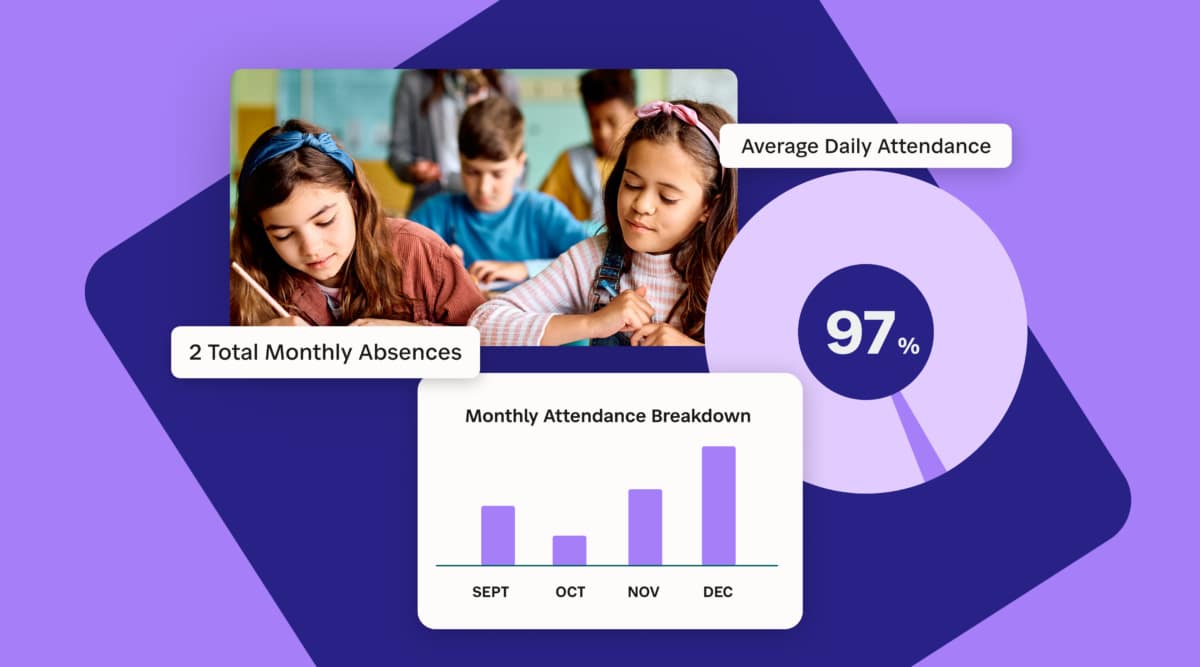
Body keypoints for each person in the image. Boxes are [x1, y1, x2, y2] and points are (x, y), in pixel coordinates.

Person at [469, 100, 737, 346]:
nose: (641, 206)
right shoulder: (591, 259)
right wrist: (592, 324)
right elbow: (484, 323)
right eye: (632, 184)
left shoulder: (736, 269)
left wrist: (694, 353)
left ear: (709, 206)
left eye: (667, 197)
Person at [231, 119, 485, 326]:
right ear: (260, 228)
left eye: (325, 221)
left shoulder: (420, 252)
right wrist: (249, 348)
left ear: (354, 196)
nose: (311, 248)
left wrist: (418, 338)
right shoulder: (247, 277)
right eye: (284, 235)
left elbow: (488, 343)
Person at [409, 96, 590, 286]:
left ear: (520, 165)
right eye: (472, 172)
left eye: (497, 174)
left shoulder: (544, 211)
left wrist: (525, 269)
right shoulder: (434, 213)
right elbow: (393, 261)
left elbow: (591, 262)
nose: (483, 188)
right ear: (459, 161)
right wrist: (433, 267)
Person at [388, 69, 520, 214]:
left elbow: (515, 151)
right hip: (435, 203)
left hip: (492, 208)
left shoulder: (505, 84)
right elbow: (398, 152)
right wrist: (413, 170)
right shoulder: (414, 82)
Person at [540, 70, 637, 223]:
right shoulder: (570, 162)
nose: (603, 133)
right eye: (595, 124)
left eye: (612, 122)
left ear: (634, 115)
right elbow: (541, 216)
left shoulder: (643, 164)